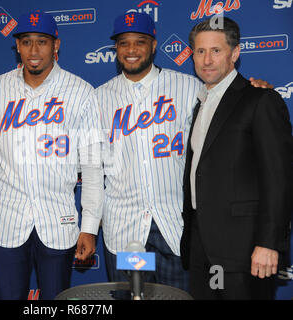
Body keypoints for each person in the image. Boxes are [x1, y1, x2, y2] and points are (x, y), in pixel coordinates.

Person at [97, 12, 273, 295]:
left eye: (140, 42)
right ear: (115, 49)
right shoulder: (98, 98)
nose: (131, 50)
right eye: (124, 43)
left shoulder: (190, 87)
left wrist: (256, 91)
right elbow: (94, 170)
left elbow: (231, 102)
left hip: (175, 226)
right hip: (124, 227)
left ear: (154, 45)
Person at [0, 11, 104, 300]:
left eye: (42, 42)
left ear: (56, 46)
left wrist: (89, 227)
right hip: (7, 220)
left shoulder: (81, 92)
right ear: (18, 46)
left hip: (57, 220)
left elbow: (91, 167)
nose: (34, 51)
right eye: (26, 42)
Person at [180, 17, 292, 300]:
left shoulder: (260, 100)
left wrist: (268, 244)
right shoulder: (201, 103)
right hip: (201, 249)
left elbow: (278, 179)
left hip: (245, 253)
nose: (206, 60)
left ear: (235, 53)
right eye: (200, 51)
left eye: (216, 51)